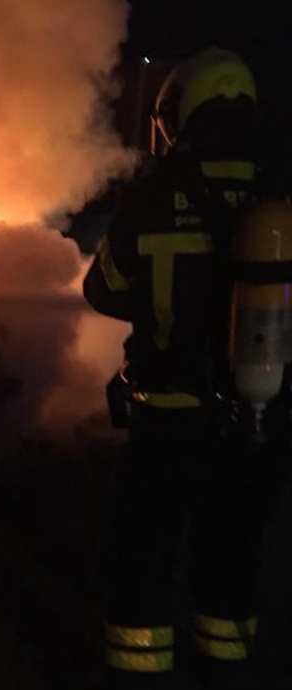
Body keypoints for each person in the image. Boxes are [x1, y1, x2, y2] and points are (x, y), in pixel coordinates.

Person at [84, 47, 290, 689]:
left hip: (169, 414)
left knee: (145, 548)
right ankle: (226, 665)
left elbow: (104, 291)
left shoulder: (156, 192)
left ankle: (139, 670)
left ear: (182, 112)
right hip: (259, 409)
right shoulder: (275, 190)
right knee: (231, 545)